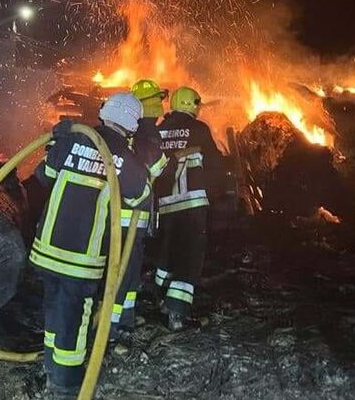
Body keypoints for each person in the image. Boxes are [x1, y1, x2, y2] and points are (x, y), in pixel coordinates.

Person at [31, 92, 150, 398]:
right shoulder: (124, 158)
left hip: (47, 248)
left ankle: (51, 368)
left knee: (54, 309)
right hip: (81, 259)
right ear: (133, 125)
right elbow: (140, 197)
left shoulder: (73, 139)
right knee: (74, 319)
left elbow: (44, 176)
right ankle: (67, 384)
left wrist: (58, 146)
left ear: (103, 111)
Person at [153, 86, 222, 330]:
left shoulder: (159, 131)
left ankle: (161, 297)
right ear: (192, 104)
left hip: (165, 206)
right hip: (192, 204)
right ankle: (177, 313)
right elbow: (215, 164)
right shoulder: (199, 129)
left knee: (168, 251)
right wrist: (216, 193)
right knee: (190, 257)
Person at [106, 79, 170, 336]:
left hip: (128, 217)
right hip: (128, 216)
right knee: (123, 272)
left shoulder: (127, 132)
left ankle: (126, 318)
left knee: (130, 271)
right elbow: (157, 167)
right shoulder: (145, 131)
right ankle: (111, 328)